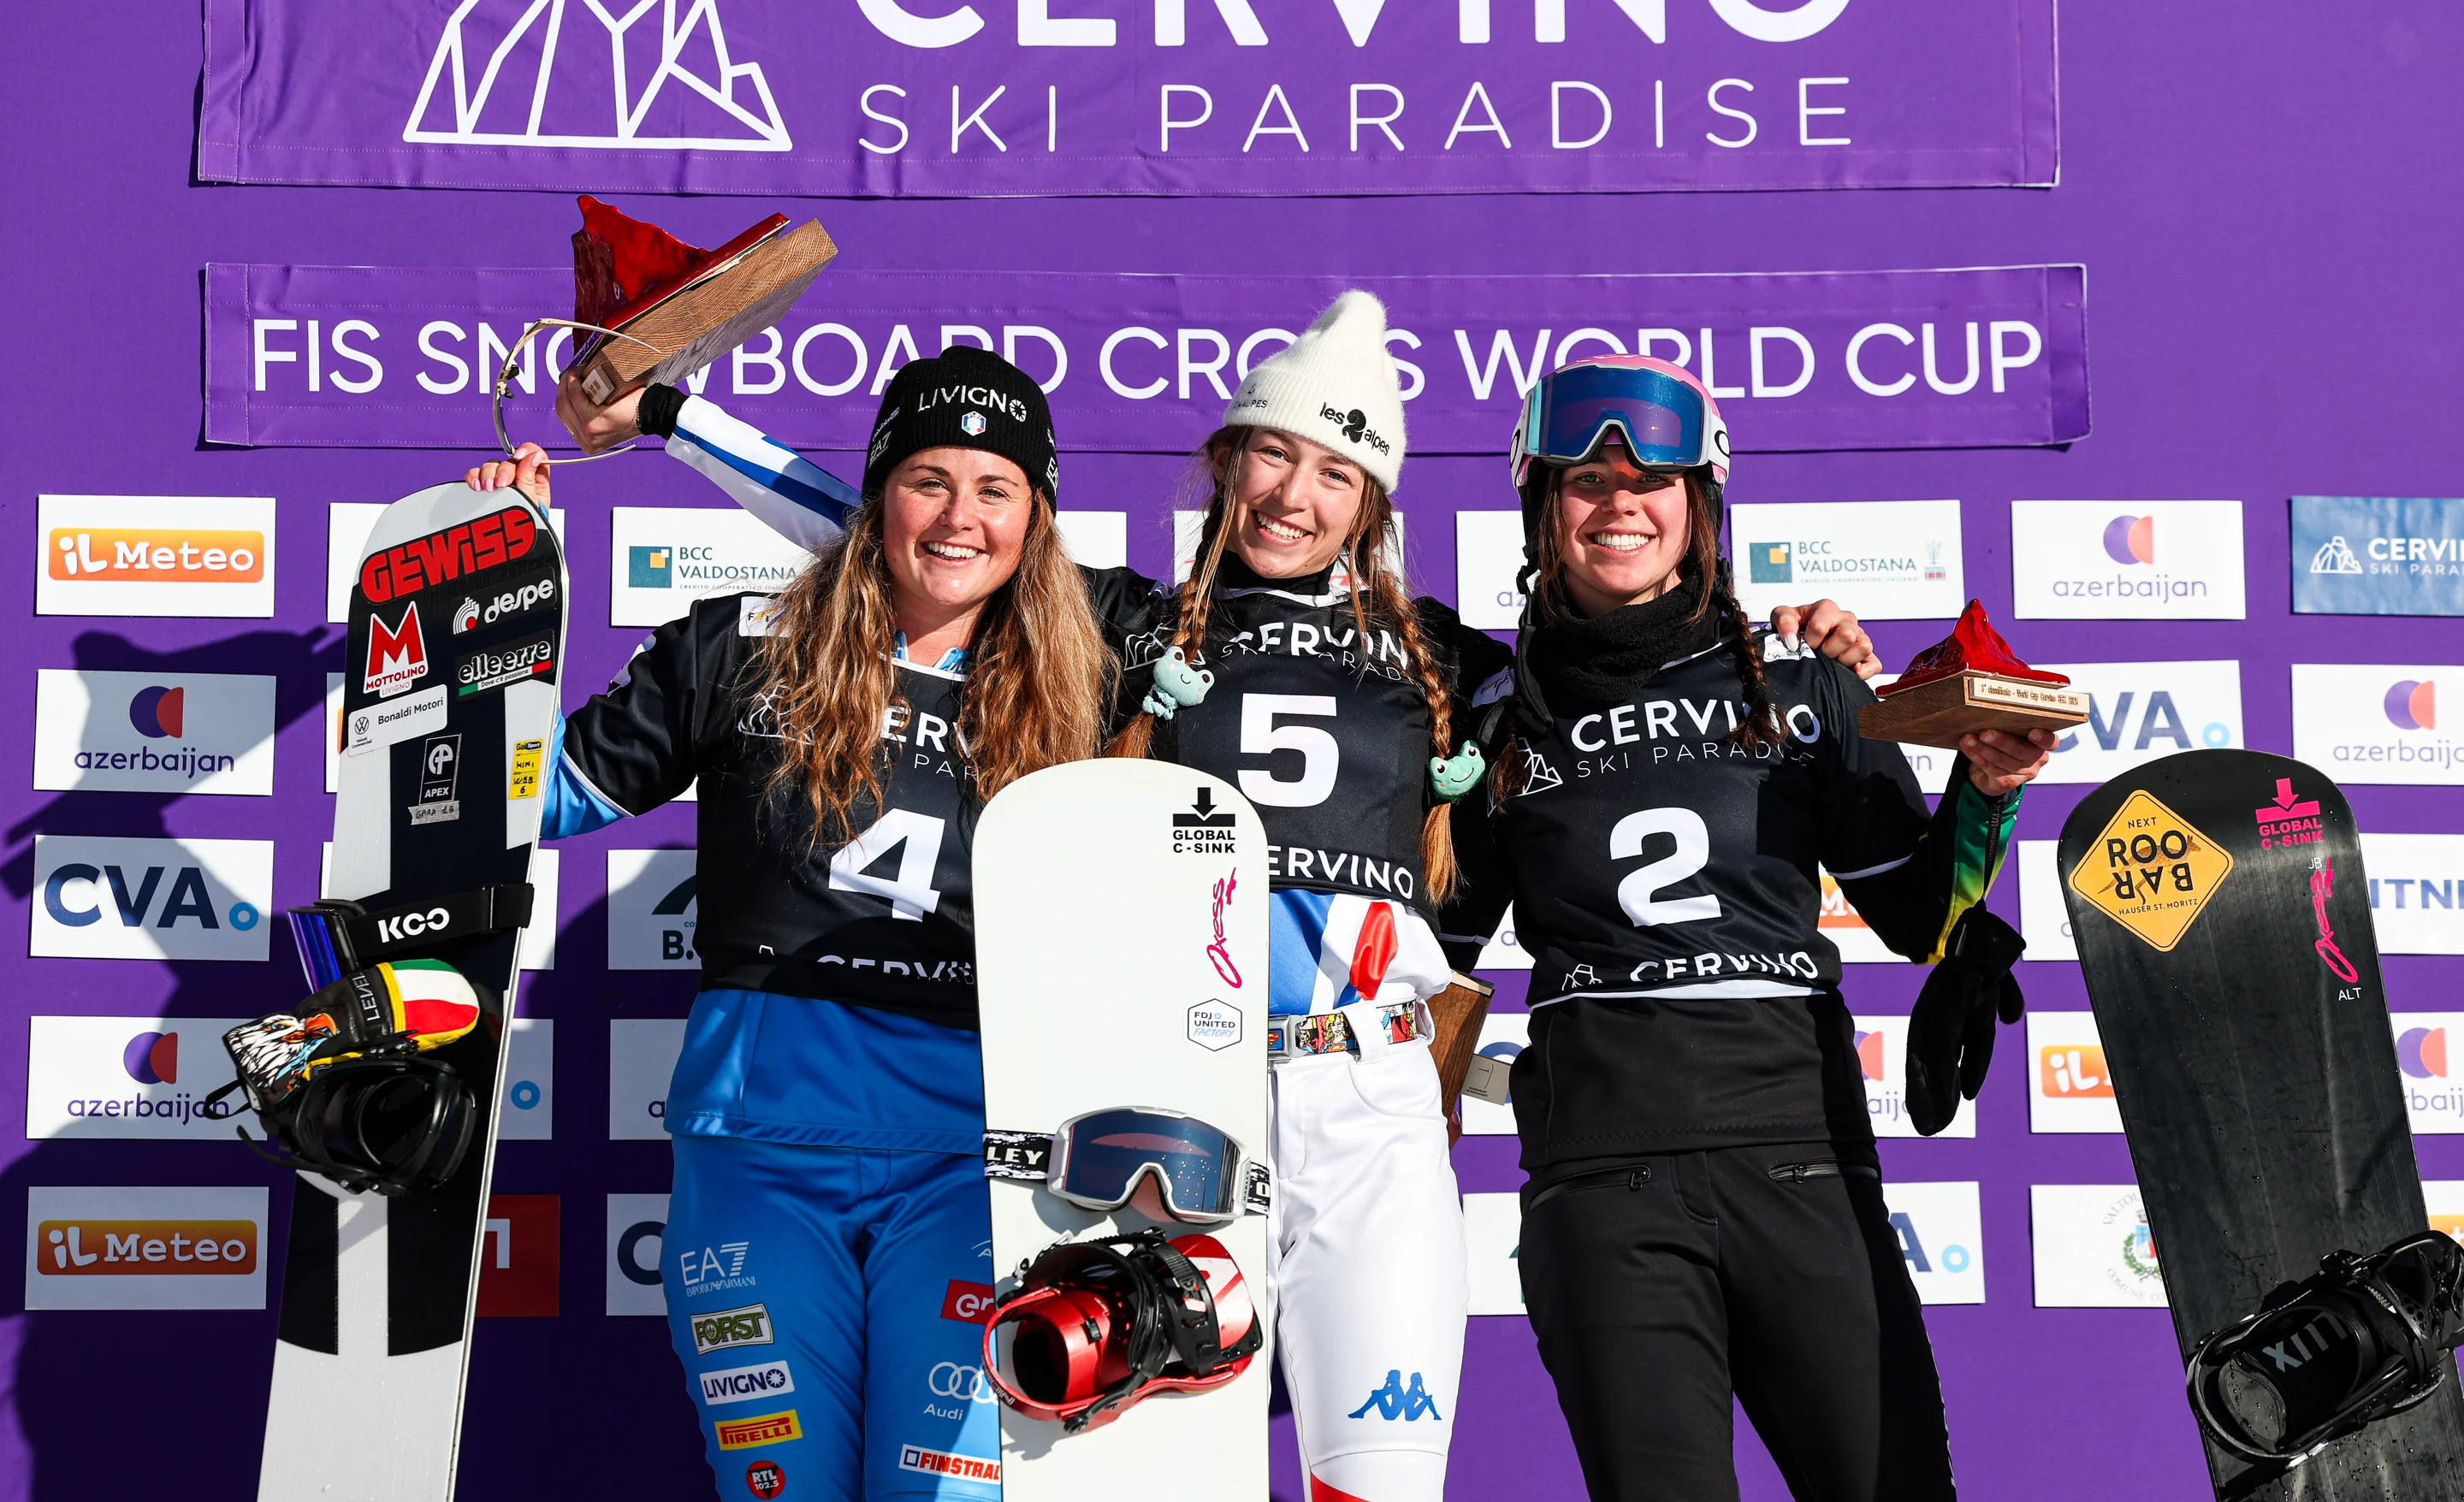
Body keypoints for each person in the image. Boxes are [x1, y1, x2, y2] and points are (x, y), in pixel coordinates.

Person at [588, 300, 1880, 1502]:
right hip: (1177, 1110)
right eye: (1273, 456)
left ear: (1371, 499)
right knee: (1139, 1473)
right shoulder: (1129, 629)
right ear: (1225, 464)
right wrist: (668, 419)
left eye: (1335, 470)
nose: (1295, 494)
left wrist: (1790, 644)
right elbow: (893, 528)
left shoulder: (1460, 665)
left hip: (1364, 1111)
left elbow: (1632, 658)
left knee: (1373, 1481)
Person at [469, 346, 1141, 1502]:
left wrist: (674, 417)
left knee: (950, 1493)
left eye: (997, 490)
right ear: (877, 491)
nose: (958, 517)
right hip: (760, 1156)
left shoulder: (1089, 673)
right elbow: (524, 801)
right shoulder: (742, 646)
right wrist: (499, 604)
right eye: (927, 479)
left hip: (973, 1169)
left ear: (1039, 519)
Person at [1456, 353, 2052, 1502]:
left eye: (1655, 480)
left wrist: (1989, 791)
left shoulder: (1807, 684)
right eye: (1584, 479)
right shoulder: (1488, 716)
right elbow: (1435, 967)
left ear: (1703, 507)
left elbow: (1930, 921)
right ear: (1541, 507)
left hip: (1802, 1159)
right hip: (1602, 1184)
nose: (1620, 504)